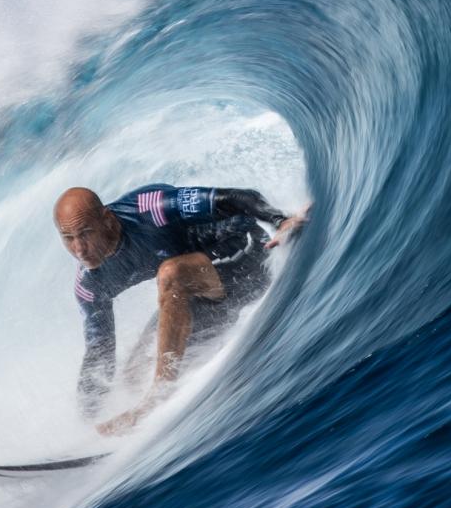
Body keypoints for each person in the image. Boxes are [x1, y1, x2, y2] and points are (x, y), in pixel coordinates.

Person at [54, 184, 307, 435]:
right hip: (204, 298)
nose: (79, 249)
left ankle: (159, 396)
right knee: (132, 377)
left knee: (171, 274)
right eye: (68, 238)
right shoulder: (90, 284)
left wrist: (280, 220)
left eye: (85, 233)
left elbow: (234, 198)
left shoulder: (149, 208)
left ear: (107, 221)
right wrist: (84, 423)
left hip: (248, 260)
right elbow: (99, 352)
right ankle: (112, 425)